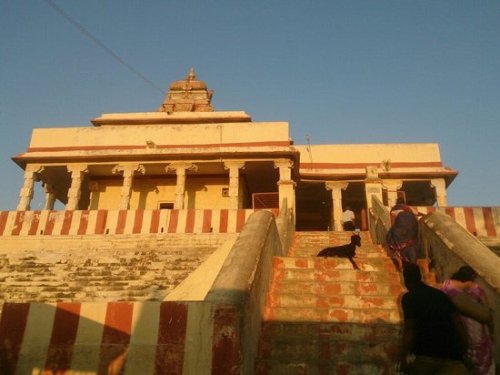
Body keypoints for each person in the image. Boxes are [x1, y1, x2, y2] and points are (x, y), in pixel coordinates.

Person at [400, 263, 469, 374]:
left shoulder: (409, 298)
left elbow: (410, 328)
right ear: (420, 277)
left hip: (426, 355)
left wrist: (403, 357)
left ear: (405, 280)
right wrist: (466, 349)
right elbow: (458, 322)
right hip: (453, 355)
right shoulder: (440, 295)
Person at [441, 266, 495, 375]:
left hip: (458, 330)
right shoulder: (476, 289)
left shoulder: (447, 286)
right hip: (477, 332)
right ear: (473, 276)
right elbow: (487, 313)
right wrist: (492, 332)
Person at [386, 197, 420, 270]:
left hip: (401, 239)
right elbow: (416, 220)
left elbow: (393, 224)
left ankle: (397, 254)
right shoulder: (410, 209)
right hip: (412, 239)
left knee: (389, 235)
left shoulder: (394, 210)